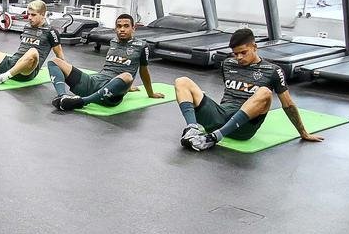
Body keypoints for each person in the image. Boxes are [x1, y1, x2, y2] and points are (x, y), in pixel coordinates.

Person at [176, 28, 324, 151]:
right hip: (218, 118)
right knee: (182, 81)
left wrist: (303, 132)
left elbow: (288, 104)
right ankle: (192, 130)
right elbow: (228, 94)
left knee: (265, 92)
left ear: (254, 47)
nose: (239, 57)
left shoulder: (273, 70)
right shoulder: (227, 64)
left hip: (243, 129)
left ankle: (215, 137)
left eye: (243, 52)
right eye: (235, 53)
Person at [48, 13, 164, 110]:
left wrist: (150, 93)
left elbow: (144, 71)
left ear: (133, 28)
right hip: (94, 83)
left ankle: (82, 102)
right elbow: (110, 67)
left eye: (126, 26)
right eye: (119, 26)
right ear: (115, 29)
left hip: (110, 96)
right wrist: (127, 87)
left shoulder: (142, 46)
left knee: (127, 76)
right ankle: (62, 97)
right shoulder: (113, 41)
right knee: (55, 61)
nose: (122, 29)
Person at [0, 0, 63, 83]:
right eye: (29, 14)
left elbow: (60, 56)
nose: (30, 18)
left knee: (33, 51)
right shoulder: (27, 27)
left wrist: (67, 74)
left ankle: (2, 78)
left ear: (43, 14)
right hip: (11, 64)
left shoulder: (51, 32)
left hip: (25, 73)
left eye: (33, 15)